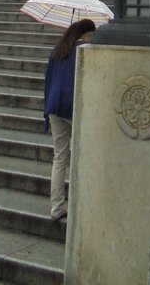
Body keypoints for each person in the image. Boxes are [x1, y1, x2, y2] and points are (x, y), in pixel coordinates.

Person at [43, 17, 95, 221]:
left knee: (60, 157)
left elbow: (48, 79)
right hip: (74, 105)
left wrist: (46, 112)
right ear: (85, 34)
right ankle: (79, 204)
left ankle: (56, 207)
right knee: (80, 156)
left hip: (55, 106)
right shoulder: (85, 50)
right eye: (91, 34)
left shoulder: (58, 50)